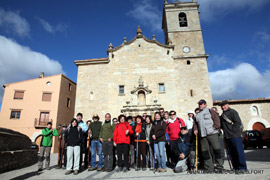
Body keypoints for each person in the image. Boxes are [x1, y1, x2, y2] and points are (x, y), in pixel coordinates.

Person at [193, 99, 224, 173]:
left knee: (216, 149)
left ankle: (219, 165)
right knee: (205, 151)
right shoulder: (197, 114)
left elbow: (217, 120)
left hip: (212, 133)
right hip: (202, 135)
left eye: (201, 104)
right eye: (199, 104)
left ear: (205, 104)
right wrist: (195, 129)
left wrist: (215, 127)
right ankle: (210, 167)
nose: (200, 105)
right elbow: (195, 124)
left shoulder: (210, 111)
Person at [219, 100, 248, 174]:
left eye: (224, 105)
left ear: (228, 105)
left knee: (238, 152)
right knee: (231, 153)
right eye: (222, 106)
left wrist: (233, 131)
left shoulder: (233, 112)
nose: (223, 107)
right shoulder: (222, 115)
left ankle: (243, 168)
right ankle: (235, 168)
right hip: (227, 136)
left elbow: (237, 122)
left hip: (235, 136)